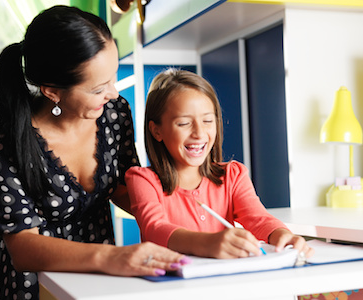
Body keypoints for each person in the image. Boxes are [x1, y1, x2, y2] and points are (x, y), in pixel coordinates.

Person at [0, 6, 189, 300]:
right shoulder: (10, 144)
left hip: (95, 278)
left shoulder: (114, 113)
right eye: (99, 87)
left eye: (112, 78)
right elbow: (23, 248)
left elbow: (127, 188)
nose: (113, 92)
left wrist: (184, 230)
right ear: (52, 91)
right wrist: (113, 257)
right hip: (29, 285)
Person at [125, 68, 314, 259]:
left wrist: (282, 235)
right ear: (157, 131)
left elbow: (258, 218)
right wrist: (207, 242)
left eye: (207, 120)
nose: (199, 133)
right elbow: (154, 229)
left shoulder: (233, 175)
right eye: (183, 123)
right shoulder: (142, 179)